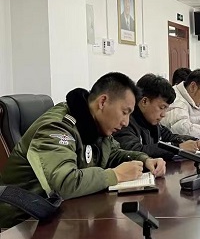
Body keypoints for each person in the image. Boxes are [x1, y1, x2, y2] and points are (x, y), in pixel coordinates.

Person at [0, 72, 166, 228]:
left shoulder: (94, 125)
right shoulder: (56, 128)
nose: (126, 122)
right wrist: (115, 175)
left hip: (61, 214)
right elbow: (65, 184)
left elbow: (113, 153)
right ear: (102, 102)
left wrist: (144, 160)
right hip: (22, 224)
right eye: (124, 112)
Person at [114, 74, 200, 160]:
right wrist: (177, 148)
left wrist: (193, 141)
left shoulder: (152, 122)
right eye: (162, 108)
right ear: (144, 101)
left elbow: (170, 137)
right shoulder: (125, 123)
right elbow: (135, 151)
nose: (163, 114)